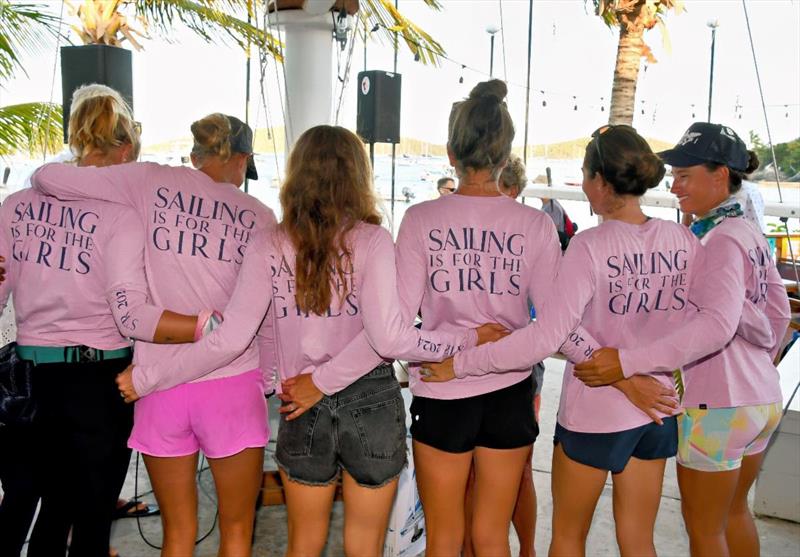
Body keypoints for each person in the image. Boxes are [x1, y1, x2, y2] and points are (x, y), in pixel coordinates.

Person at [111, 124, 506, 557]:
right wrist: (464, 340)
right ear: (358, 176)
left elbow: (231, 339)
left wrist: (152, 376)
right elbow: (389, 338)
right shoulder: (373, 241)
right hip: (368, 400)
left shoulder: (270, 243)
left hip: (302, 400)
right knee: (364, 546)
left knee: (303, 543)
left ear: (297, 174)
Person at [426, 124, 776, 557]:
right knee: (638, 539)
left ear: (600, 182)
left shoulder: (589, 247)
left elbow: (553, 332)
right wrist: (633, 369)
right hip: (656, 409)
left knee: (569, 538)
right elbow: (713, 320)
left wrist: (461, 364)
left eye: (585, 174)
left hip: (593, 413)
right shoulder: (683, 239)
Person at [31, 113, 276, 557]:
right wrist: (273, 376)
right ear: (240, 158)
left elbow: (47, 177)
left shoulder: (150, 181)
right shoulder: (260, 215)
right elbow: (267, 318)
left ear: (196, 154)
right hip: (231, 384)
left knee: (177, 534)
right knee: (237, 531)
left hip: (159, 385)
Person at [0, 87, 206, 557]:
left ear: (76, 138)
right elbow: (129, 314)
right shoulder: (121, 214)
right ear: (127, 150)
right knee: (91, 521)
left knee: (49, 514)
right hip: (97, 383)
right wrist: (203, 326)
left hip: (31, 382)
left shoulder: (16, 204)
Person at [573, 122, 790, 557]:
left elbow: (716, 326)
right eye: (673, 176)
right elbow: (779, 314)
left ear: (720, 175)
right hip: (762, 399)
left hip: (717, 405)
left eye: (685, 176)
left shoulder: (716, 241)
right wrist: (757, 364)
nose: (674, 187)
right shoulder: (747, 232)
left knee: (705, 530)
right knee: (734, 515)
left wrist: (629, 361)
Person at [391, 80, 567, 557]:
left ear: (451, 152)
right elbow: (552, 330)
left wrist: (457, 348)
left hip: (443, 389)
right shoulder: (534, 225)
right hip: (509, 388)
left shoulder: (419, 219)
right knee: (492, 537)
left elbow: (396, 330)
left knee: (444, 537)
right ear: (505, 156)